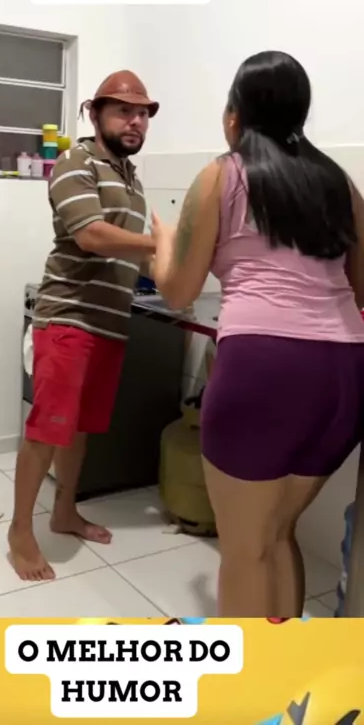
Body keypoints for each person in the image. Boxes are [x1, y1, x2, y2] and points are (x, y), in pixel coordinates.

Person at [150, 50, 364, 618]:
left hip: (264, 370)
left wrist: (163, 243)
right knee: (278, 534)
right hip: (345, 374)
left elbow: (178, 290)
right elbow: (362, 288)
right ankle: (285, 666)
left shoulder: (222, 174)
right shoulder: (337, 182)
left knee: (244, 551)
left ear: (233, 117)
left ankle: (245, 672)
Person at [9, 70, 158, 581]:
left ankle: (65, 511)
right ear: (95, 115)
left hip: (109, 323)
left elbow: (134, 254)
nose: (135, 121)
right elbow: (92, 235)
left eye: (142, 113)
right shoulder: (77, 161)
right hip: (69, 316)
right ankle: (19, 532)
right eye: (123, 111)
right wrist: (165, 243)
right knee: (47, 430)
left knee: (78, 430)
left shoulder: (132, 179)